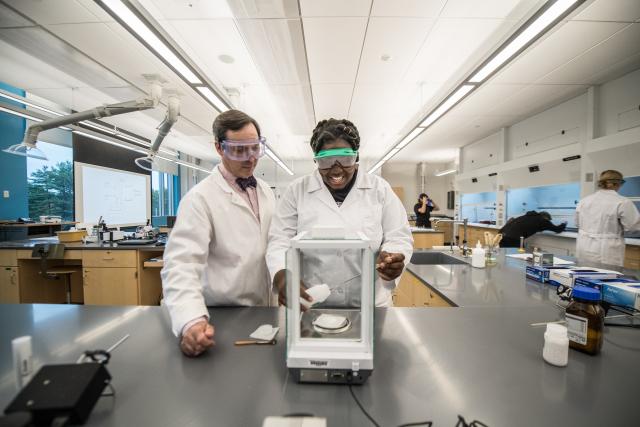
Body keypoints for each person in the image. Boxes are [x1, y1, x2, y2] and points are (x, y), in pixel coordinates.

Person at [161, 110, 276, 356]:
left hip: (263, 312)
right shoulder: (199, 199)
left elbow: (272, 244)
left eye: (255, 147)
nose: (250, 158)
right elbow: (180, 265)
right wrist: (191, 321)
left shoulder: (265, 190)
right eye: (239, 150)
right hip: (222, 316)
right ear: (219, 148)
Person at [266, 119, 413, 308]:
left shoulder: (379, 189)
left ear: (356, 157)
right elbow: (280, 239)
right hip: (312, 303)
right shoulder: (296, 191)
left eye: (345, 159)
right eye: (326, 160)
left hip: (369, 305)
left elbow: (398, 236)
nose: (336, 169)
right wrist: (281, 273)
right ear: (315, 160)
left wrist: (392, 256)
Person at [575, 170, 640, 266]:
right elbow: (633, 227)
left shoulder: (584, 201)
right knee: (606, 277)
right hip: (607, 250)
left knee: (583, 275)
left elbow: (577, 223)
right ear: (618, 183)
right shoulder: (623, 202)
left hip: (584, 245)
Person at [499, 211, 566, 248]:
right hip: (513, 239)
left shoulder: (525, 217)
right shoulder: (542, 220)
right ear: (546, 217)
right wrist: (564, 223)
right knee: (518, 257)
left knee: (505, 257)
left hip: (501, 235)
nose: (549, 222)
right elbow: (558, 229)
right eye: (548, 220)